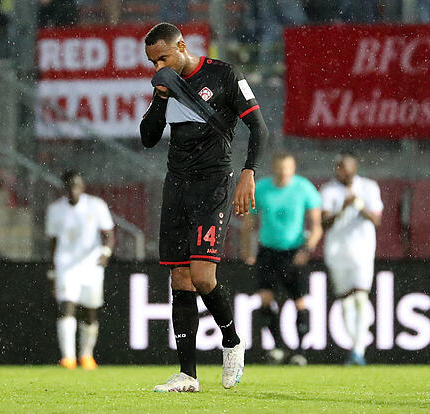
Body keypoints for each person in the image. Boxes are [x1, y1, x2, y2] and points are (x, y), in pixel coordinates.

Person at [140, 22, 268, 392]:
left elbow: (258, 128)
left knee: (202, 277)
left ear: (182, 46)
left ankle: (231, 342)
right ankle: (188, 375)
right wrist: (162, 97)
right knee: (178, 278)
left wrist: (249, 173)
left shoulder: (224, 75)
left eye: (162, 57)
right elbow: (148, 138)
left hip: (213, 185)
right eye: (152, 61)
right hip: (176, 185)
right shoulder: (166, 86)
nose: (157, 66)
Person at [241, 152, 322, 365]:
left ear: (293, 168)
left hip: (294, 252)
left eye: (288, 169)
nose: (284, 173)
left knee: (299, 301)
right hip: (267, 252)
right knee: (266, 299)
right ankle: (278, 347)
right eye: (280, 168)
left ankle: (300, 351)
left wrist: (307, 249)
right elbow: (248, 224)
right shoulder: (261, 188)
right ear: (274, 167)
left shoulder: (304, 188)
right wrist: (247, 251)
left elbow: (316, 226)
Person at [45, 170, 115, 370]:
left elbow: (109, 233)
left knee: (90, 312)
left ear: (82, 187)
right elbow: (53, 241)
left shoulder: (96, 205)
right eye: (69, 186)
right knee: (67, 307)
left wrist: (106, 252)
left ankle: (86, 355)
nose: (73, 190)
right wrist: (51, 270)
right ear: (64, 188)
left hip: (91, 265)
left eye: (76, 185)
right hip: (65, 265)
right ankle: (68, 358)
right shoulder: (55, 210)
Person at [320, 153, 382, 366]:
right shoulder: (328, 190)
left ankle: (358, 350)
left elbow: (376, 219)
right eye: (339, 167)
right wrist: (343, 208)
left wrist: (359, 206)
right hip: (337, 252)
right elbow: (324, 223)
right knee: (346, 301)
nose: (343, 171)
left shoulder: (369, 187)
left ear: (355, 167)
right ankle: (356, 348)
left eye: (346, 167)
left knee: (360, 297)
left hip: (362, 251)